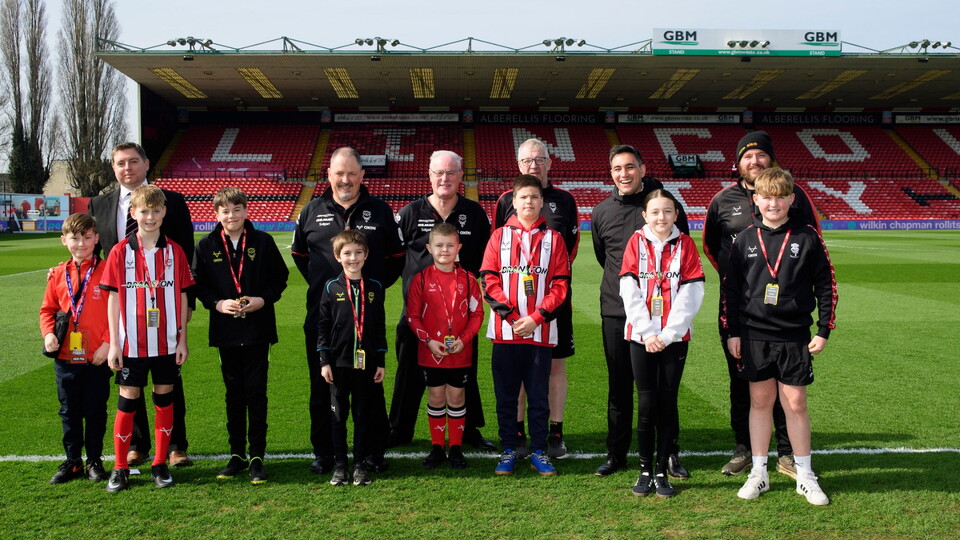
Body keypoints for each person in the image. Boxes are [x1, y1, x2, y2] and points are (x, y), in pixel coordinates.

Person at [702, 130, 820, 479]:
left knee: (786, 386)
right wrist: (745, 283)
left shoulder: (795, 196)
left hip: (786, 315)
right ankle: (744, 448)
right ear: (737, 163)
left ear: (771, 159)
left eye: (761, 155)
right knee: (742, 380)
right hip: (739, 308)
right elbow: (711, 246)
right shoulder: (722, 200)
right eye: (747, 156)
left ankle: (786, 452)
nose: (754, 161)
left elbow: (813, 248)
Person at [722, 168, 837, 506]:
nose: (773, 203)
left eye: (780, 197)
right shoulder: (744, 239)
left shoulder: (807, 236)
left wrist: (824, 328)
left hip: (794, 335)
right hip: (755, 335)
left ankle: (805, 474)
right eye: (766, 197)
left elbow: (826, 285)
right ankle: (759, 472)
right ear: (756, 200)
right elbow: (731, 290)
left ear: (790, 199)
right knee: (759, 402)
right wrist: (732, 331)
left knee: (796, 404)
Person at [292, 147, 404, 475]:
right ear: (329, 176)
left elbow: (396, 260)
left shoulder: (381, 211)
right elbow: (301, 257)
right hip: (324, 321)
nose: (345, 180)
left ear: (362, 176)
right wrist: (328, 291)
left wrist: (370, 291)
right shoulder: (311, 211)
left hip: (366, 325)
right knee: (322, 386)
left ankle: (373, 453)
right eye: (339, 173)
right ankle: (325, 452)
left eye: (352, 173)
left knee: (370, 388)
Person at [88, 142, 195, 468]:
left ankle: (174, 445)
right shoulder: (100, 203)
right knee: (129, 381)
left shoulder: (172, 201)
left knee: (168, 378)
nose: (127, 168)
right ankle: (137, 444)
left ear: (146, 164)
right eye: (120, 163)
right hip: (125, 306)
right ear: (113, 167)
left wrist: (187, 306)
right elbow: (97, 254)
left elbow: (185, 251)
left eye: (134, 161)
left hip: (164, 305)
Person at [591, 145, 691, 478]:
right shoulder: (602, 211)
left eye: (630, 167)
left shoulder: (662, 205)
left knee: (664, 389)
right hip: (618, 312)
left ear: (643, 168)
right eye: (617, 168)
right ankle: (616, 453)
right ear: (611, 173)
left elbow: (680, 253)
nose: (624, 174)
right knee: (619, 386)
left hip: (662, 320)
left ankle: (670, 454)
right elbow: (603, 257)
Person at [389, 150, 495, 452]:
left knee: (465, 374)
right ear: (430, 175)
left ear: (461, 176)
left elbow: (485, 261)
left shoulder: (474, 213)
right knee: (408, 373)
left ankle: (470, 430)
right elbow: (394, 258)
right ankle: (399, 429)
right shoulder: (410, 213)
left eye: (451, 173)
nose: (444, 178)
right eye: (439, 172)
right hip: (417, 316)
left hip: (458, 316)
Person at [193, 187, 289, 485]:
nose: (231, 216)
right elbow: (198, 283)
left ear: (246, 211)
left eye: (237, 209)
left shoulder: (263, 241)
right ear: (216, 214)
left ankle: (257, 455)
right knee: (233, 394)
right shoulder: (206, 245)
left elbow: (280, 278)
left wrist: (263, 299)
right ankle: (237, 454)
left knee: (256, 393)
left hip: (258, 330)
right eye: (225, 211)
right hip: (226, 333)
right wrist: (217, 304)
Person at [494, 138, 579, 458]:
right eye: (528, 161)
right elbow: (497, 251)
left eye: (539, 160)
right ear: (519, 165)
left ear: (549, 163)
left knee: (556, 367)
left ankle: (554, 433)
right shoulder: (505, 201)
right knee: (516, 370)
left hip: (554, 305)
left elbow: (569, 249)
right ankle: (516, 433)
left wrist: (548, 296)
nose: (534, 165)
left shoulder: (566, 200)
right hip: (514, 310)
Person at [481, 175, 570, 476]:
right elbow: (489, 280)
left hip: (540, 333)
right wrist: (511, 317)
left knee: (538, 396)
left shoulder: (554, 239)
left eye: (534, 197)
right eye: (523, 197)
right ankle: (508, 449)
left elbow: (560, 285)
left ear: (542, 201)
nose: (529, 201)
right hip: (505, 333)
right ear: (513, 202)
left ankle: (540, 451)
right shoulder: (498, 237)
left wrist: (536, 318)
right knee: (506, 395)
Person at [619, 189, 705, 498]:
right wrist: (646, 332)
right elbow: (628, 289)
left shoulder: (685, 244)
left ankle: (661, 469)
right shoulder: (635, 243)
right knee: (646, 403)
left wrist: (667, 334)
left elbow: (692, 292)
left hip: (674, 338)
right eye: (655, 212)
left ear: (676, 215)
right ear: (645, 215)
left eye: (667, 212)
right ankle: (644, 469)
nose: (661, 217)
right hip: (640, 338)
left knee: (667, 403)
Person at [40, 213, 112, 484]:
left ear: (96, 239)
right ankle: (73, 461)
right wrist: (48, 334)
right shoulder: (58, 273)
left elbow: (116, 312)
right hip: (66, 356)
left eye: (86, 237)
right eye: (74, 238)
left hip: (97, 355)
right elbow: (47, 309)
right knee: (69, 410)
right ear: (64, 240)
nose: (80, 243)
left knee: (95, 409)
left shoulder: (107, 270)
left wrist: (107, 343)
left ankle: (94, 459)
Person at [406, 223, 485, 469]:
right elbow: (412, 316)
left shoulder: (470, 279)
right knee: (436, 396)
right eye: (439, 246)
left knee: (457, 395)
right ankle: (438, 447)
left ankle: (456, 447)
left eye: (450, 245)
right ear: (429, 248)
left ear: (458, 247)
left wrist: (464, 340)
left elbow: (477, 314)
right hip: (431, 351)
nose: (445, 250)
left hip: (460, 351)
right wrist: (428, 341)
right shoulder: (420, 279)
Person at [318, 230, 388, 486]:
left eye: (358, 252)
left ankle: (359, 465)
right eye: (347, 253)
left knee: (362, 415)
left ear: (366, 255)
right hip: (338, 364)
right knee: (338, 417)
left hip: (366, 364)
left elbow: (379, 327)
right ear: (338, 256)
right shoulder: (331, 287)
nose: (353, 258)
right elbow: (323, 326)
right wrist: (324, 361)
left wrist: (380, 361)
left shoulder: (375, 288)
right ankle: (340, 466)